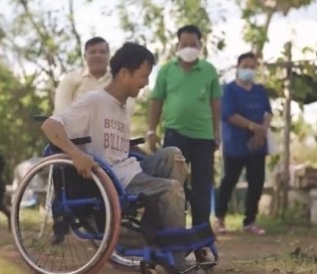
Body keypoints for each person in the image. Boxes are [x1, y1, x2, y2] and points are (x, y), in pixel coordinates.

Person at [41, 42, 192, 272]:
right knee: (171, 188)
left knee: (174, 155)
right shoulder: (95, 101)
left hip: (129, 169)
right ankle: (177, 261)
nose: (146, 83)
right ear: (124, 74)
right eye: (143, 76)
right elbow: (49, 126)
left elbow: (119, 149)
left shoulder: (121, 107)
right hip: (114, 179)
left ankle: (155, 231)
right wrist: (76, 155)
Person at [147, 24, 221, 261]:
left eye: (193, 44)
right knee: (174, 187)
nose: (189, 48)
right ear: (177, 46)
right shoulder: (166, 71)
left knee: (201, 188)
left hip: (204, 137)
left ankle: (201, 244)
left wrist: (217, 132)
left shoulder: (209, 70)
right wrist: (151, 129)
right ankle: (173, 239)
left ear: (200, 46)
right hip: (175, 135)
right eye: (184, 44)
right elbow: (156, 100)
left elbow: (216, 104)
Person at [214, 52, 272, 235]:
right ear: (238, 68)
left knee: (256, 181)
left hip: (258, 144)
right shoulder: (228, 90)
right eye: (245, 66)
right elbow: (230, 115)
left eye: (253, 67)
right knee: (229, 181)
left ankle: (250, 221)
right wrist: (253, 126)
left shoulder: (260, 90)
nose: (249, 70)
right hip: (235, 144)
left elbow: (268, 112)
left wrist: (262, 131)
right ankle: (220, 219)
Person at [54, 36, 135, 116]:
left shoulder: (120, 81)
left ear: (108, 56)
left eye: (102, 52)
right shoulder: (71, 78)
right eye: (93, 52)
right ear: (85, 56)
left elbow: (126, 111)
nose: (98, 55)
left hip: (111, 127)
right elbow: (61, 110)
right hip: (75, 127)